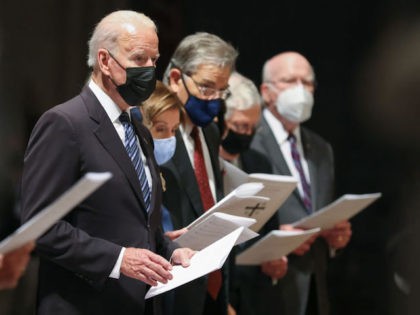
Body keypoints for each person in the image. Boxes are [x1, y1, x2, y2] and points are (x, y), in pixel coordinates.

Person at [20, 10, 194, 315]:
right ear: (104, 61)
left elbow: (138, 223)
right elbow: (40, 228)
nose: (150, 69)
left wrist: (170, 250)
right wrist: (118, 260)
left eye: (154, 60)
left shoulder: (139, 130)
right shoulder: (64, 123)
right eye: (140, 59)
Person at [250, 51, 352, 315]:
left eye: (307, 83)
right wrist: (272, 238)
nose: (300, 90)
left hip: (314, 291)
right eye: (289, 80)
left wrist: (334, 240)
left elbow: (318, 212)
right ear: (267, 91)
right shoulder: (247, 140)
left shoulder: (321, 148)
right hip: (262, 291)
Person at [160, 32, 238, 315]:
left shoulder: (211, 132)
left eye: (222, 91)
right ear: (176, 79)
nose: (214, 101)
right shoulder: (154, 133)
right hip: (170, 289)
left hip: (212, 287)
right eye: (206, 88)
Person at [219, 71, 288, 315]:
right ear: (220, 120)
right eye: (240, 126)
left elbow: (269, 226)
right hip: (217, 291)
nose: (246, 134)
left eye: (252, 128)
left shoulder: (259, 162)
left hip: (254, 293)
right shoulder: (200, 162)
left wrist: (275, 257)